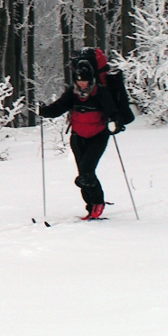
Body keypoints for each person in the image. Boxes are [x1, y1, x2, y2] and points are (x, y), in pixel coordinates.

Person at [39, 52, 125, 220]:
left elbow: (111, 110)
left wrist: (117, 121)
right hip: (78, 137)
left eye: (85, 80)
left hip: (98, 136)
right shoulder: (73, 93)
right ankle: (90, 207)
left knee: (86, 173)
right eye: (79, 80)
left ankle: (98, 202)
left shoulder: (100, 92)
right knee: (83, 172)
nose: (82, 83)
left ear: (91, 78)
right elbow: (60, 107)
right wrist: (44, 111)